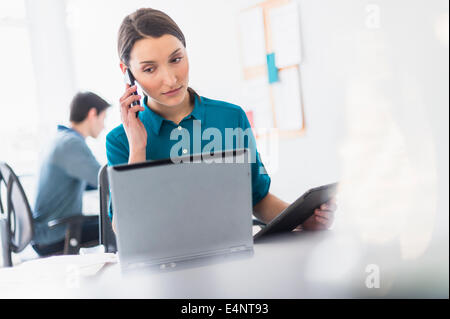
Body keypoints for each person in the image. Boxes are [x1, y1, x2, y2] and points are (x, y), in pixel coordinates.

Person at [106, 8, 336, 232]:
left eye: (176, 59)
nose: (170, 79)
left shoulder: (231, 117)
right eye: (149, 69)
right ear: (127, 72)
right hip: (160, 265)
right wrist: (137, 147)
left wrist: (303, 220)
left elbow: (258, 199)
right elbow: (125, 229)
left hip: (231, 258)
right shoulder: (120, 141)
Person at [32, 91, 110, 256]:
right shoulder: (71, 144)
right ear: (92, 114)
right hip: (56, 234)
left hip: (47, 229)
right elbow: (107, 180)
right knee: (119, 225)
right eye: (103, 118)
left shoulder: (60, 139)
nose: (104, 126)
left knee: (108, 220)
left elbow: (91, 181)